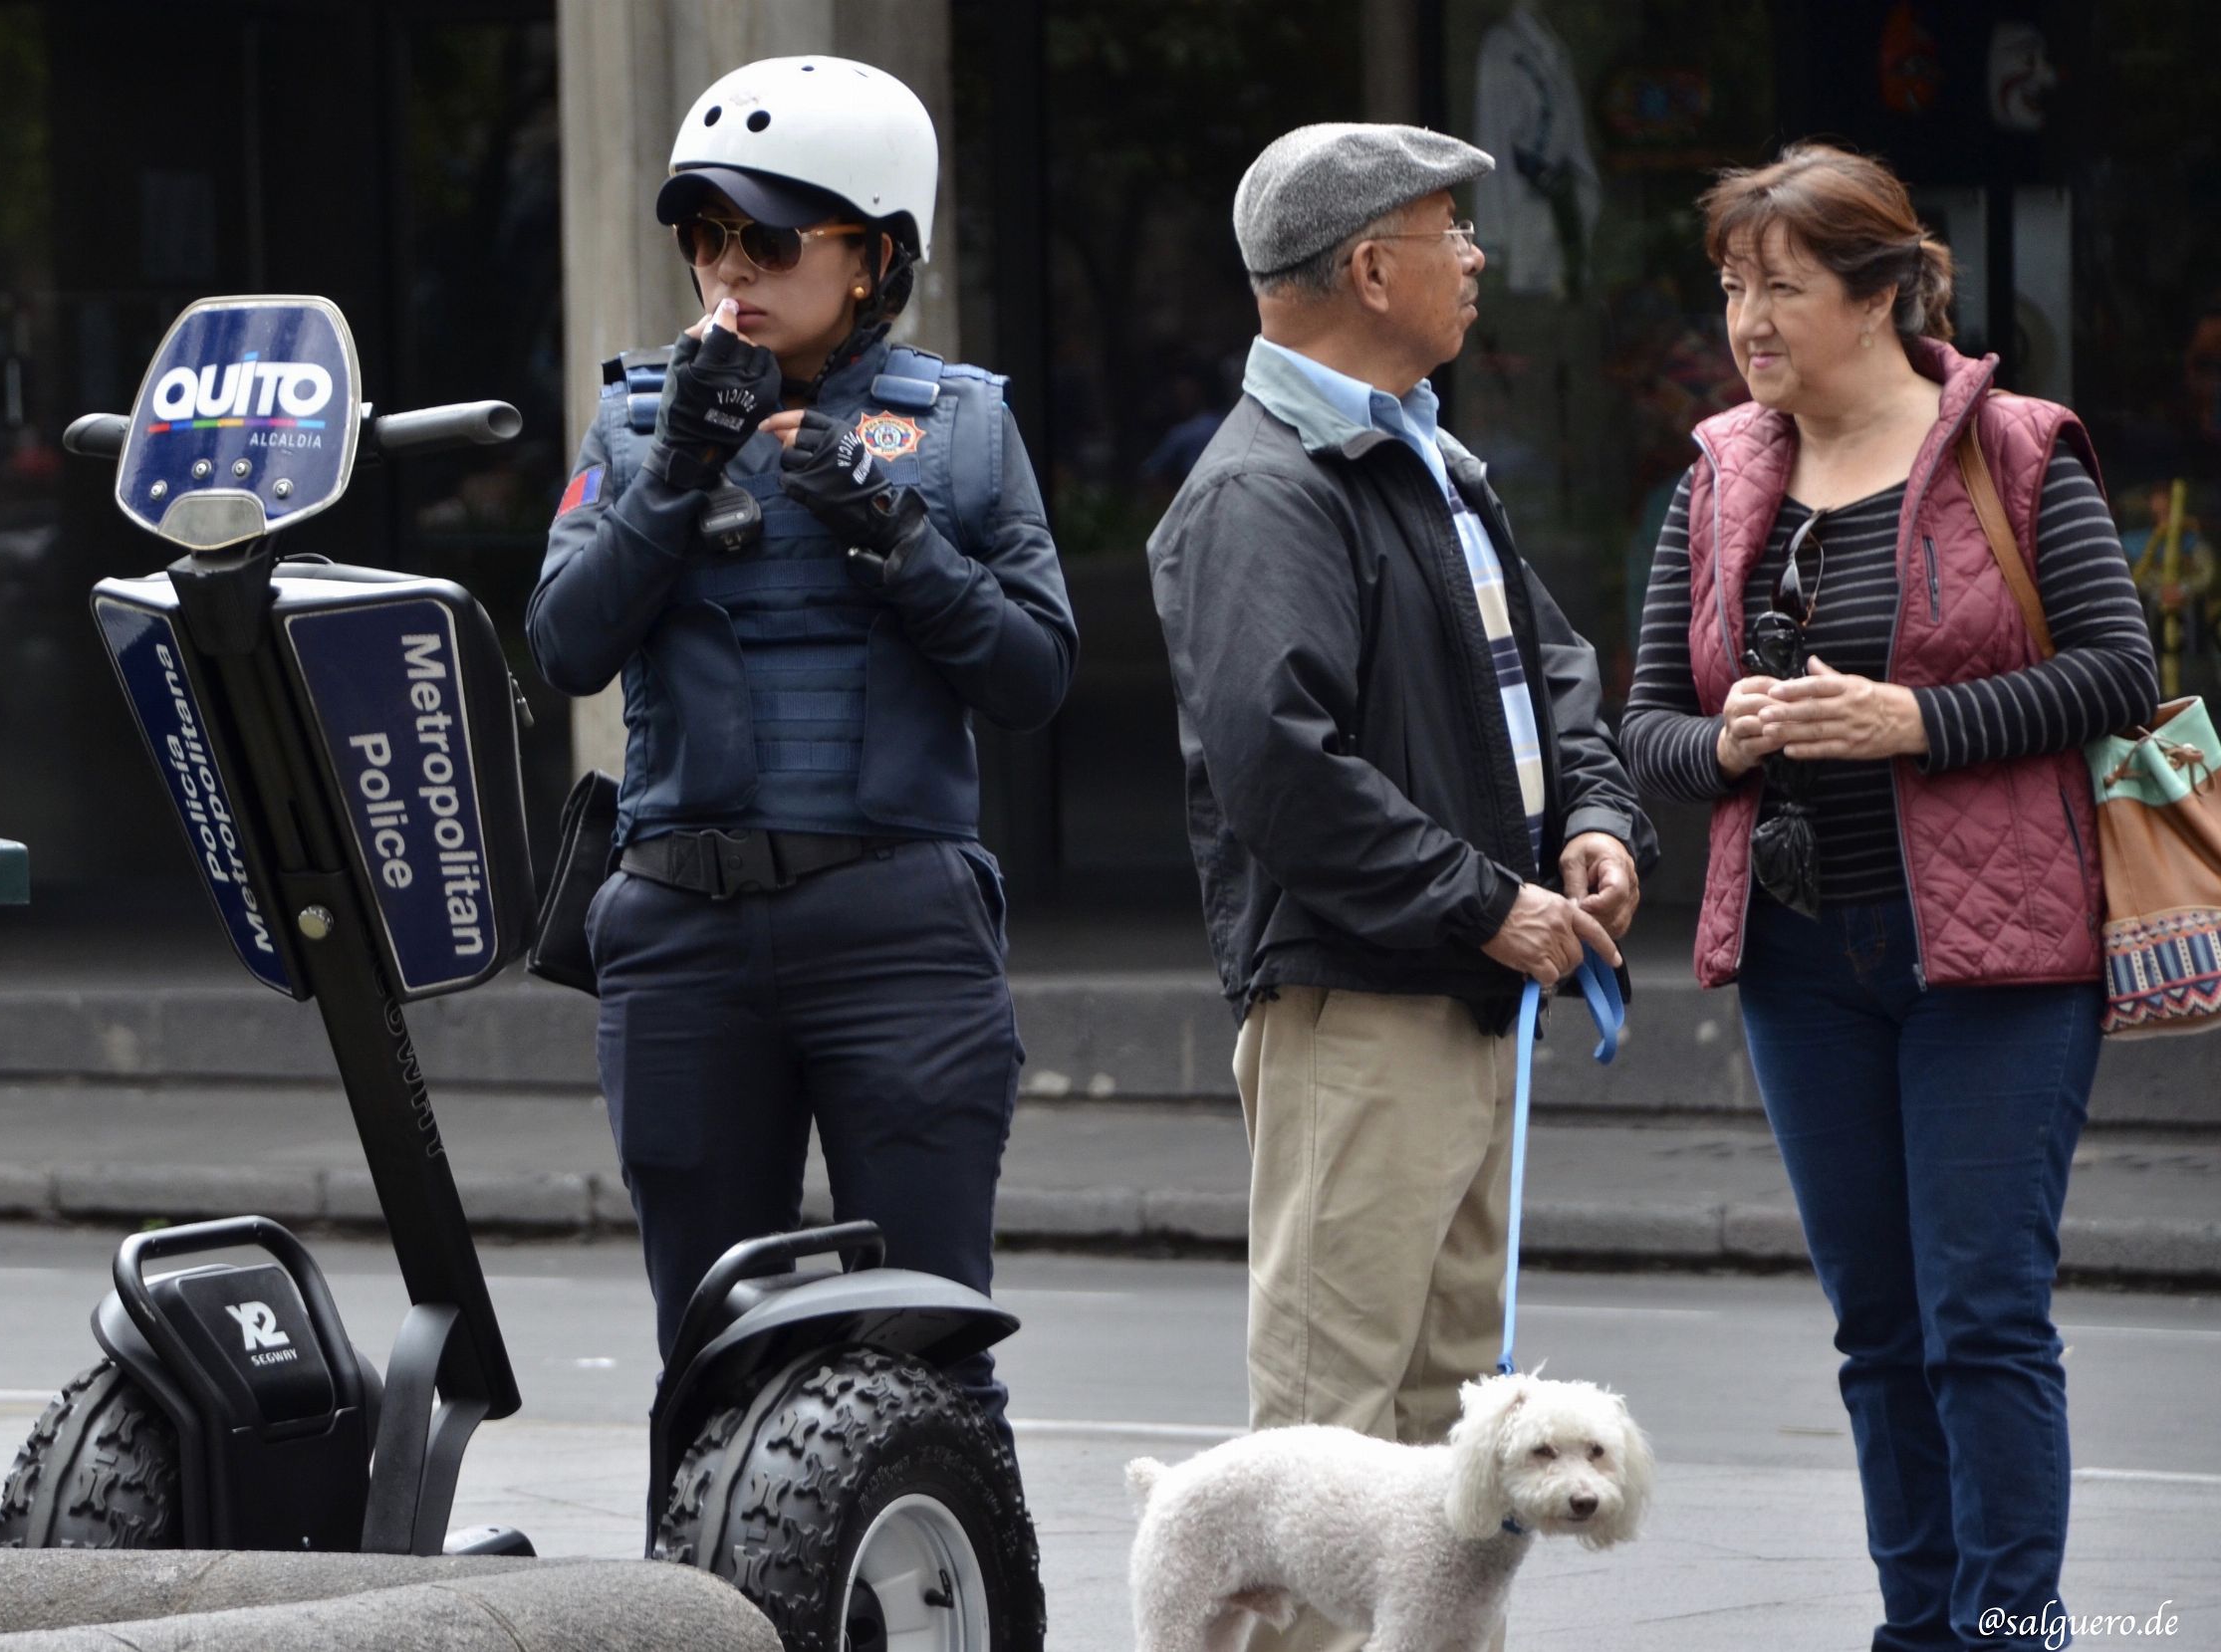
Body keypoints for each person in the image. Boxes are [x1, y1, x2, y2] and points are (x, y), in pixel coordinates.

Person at [1620, 142, 2159, 1651]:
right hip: (1804, 959)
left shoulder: (2018, 450)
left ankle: (2010, 1629)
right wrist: (1724, 740)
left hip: (2000, 957)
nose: (1747, 322)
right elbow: (1649, 720)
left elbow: (2121, 673)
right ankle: (1916, 1627)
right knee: (1879, 1330)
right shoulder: (1721, 477)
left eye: (1780, 288)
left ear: (1878, 293)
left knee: (1984, 1316)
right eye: (1732, 288)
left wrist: (1914, 723)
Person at [1146, 122, 1652, 1652]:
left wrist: (1595, 816)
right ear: (1370, 266)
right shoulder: (1266, 488)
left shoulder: (1417, 451)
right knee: (1321, 1463)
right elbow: (1278, 767)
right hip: (1364, 1009)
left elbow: (1550, 664)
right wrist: (1481, 901)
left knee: (1449, 1468)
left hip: (1455, 994)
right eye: (1450, 227)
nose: (1476, 254)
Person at [525, 56, 1077, 1446]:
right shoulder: (641, 418)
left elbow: (1030, 674)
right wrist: (671, 484)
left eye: (768, 241)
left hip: (897, 930)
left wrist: (898, 537)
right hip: (681, 933)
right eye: (705, 239)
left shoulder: (963, 429)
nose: (729, 275)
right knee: (708, 1367)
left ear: (877, 253)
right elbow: (565, 644)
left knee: (931, 1349)